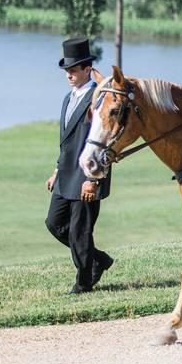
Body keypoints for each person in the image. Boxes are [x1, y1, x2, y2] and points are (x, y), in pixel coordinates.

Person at [44, 38, 114, 294]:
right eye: (67, 71)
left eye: (74, 70)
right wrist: (56, 169)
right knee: (54, 223)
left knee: (80, 231)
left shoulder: (99, 100)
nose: (69, 75)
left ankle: (83, 283)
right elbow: (68, 142)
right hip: (65, 174)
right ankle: (100, 259)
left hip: (87, 175)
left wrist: (94, 180)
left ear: (87, 69)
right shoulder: (68, 98)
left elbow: (104, 142)